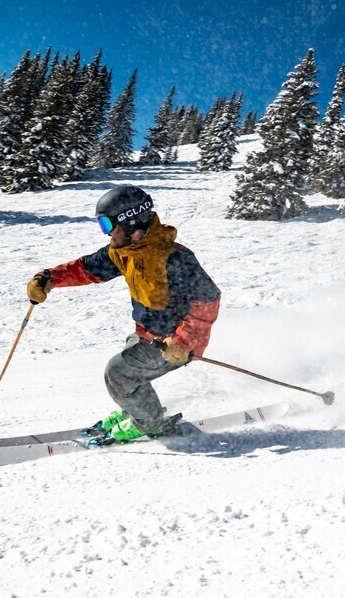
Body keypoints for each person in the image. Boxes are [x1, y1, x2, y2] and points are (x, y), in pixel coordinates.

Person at [26, 186, 220, 443]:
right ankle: (138, 409)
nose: (106, 233)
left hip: (175, 343)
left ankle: (151, 424)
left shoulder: (173, 258)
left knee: (118, 374)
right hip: (147, 334)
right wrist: (49, 279)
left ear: (131, 223)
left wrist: (183, 341)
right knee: (129, 371)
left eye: (107, 224)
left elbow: (208, 298)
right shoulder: (124, 252)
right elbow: (87, 269)